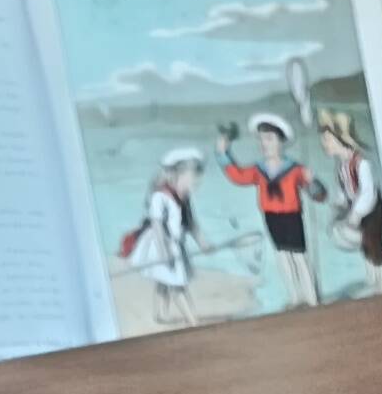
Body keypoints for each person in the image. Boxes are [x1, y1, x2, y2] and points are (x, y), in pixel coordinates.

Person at [217, 112, 326, 309]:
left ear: (280, 141)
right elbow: (239, 177)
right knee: (283, 257)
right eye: (261, 139)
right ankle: (295, 298)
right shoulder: (258, 169)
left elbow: (319, 196)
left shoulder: (295, 169)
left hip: (292, 217)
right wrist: (224, 154)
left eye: (269, 139)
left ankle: (312, 299)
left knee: (299, 257)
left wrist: (313, 180)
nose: (264, 144)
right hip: (270, 217)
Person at [120, 148, 208, 330]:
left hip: (176, 245)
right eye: (192, 177)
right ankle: (193, 321)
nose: (196, 181)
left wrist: (203, 243)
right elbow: (157, 226)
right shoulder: (160, 197)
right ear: (178, 175)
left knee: (165, 279)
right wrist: (163, 252)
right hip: (161, 245)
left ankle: (160, 313)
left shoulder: (185, 197)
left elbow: (191, 223)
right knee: (176, 284)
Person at [319, 112, 382, 292]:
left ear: (341, 139)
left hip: (372, 209)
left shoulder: (361, 163)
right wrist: (341, 202)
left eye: (328, 140)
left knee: (374, 244)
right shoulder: (342, 165)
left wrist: (356, 214)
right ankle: (372, 280)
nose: (325, 144)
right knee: (365, 246)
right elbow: (346, 190)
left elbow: (367, 193)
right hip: (356, 208)